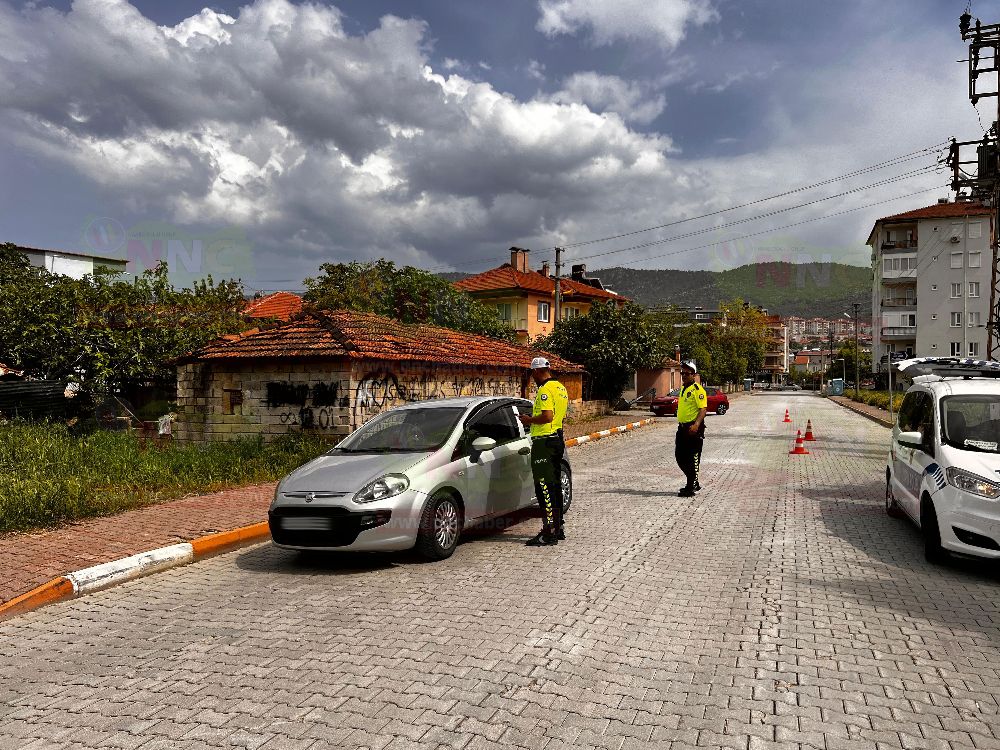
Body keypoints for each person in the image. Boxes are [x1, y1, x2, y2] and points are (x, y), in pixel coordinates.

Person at [518, 356, 569, 546]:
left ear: (538, 371)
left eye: (533, 374)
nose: (533, 378)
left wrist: (528, 420)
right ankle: (558, 527)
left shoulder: (545, 390)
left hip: (544, 443)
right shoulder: (561, 388)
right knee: (554, 485)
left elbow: (547, 416)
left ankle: (549, 533)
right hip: (556, 439)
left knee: (544, 488)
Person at [675, 360, 707, 497]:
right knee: (680, 456)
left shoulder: (698, 390)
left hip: (693, 428)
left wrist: (696, 424)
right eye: (682, 373)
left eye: (687, 373)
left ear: (694, 375)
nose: (684, 375)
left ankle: (691, 486)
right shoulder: (683, 388)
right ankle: (693, 482)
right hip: (682, 428)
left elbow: (703, 409)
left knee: (692, 457)